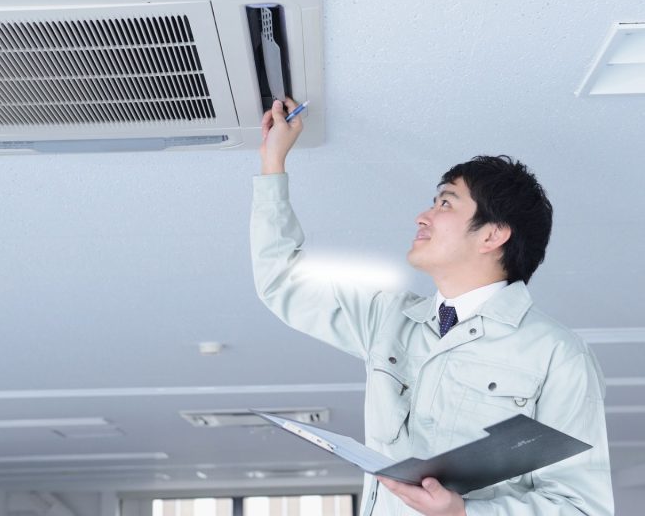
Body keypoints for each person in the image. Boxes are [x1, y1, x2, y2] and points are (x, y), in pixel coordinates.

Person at [251, 98, 614, 516]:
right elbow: (281, 283)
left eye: (445, 203)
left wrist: (462, 514)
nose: (423, 216)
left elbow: (582, 509)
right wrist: (272, 161)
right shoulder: (387, 318)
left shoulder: (557, 355)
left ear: (492, 234)